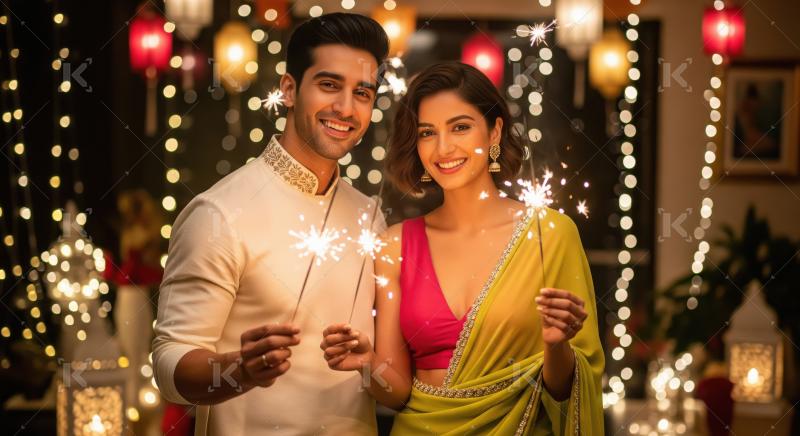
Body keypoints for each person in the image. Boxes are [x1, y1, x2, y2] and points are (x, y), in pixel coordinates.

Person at [320, 62, 604, 434]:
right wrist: (367, 364)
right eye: (427, 132)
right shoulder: (395, 243)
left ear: (494, 131)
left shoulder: (549, 234)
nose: (443, 148)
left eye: (460, 127)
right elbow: (397, 394)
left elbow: (567, 391)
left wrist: (556, 347)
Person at [152, 13, 389, 435]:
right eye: (330, 85)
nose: (346, 108)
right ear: (289, 89)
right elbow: (169, 363)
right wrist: (238, 371)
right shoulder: (219, 214)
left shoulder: (368, 214)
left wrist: (375, 366)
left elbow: (380, 374)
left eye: (363, 93)